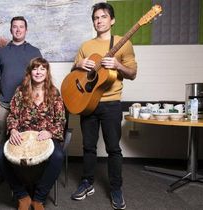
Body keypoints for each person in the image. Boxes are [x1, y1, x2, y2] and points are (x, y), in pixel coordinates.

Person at [69, 2, 137, 210]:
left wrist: (117, 65)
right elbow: (74, 72)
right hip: (88, 103)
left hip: (111, 105)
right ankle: (87, 182)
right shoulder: (86, 46)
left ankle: (116, 187)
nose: (99, 21)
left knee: (113, 148)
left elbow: (133, 73)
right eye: (96, 18)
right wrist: (79, 64)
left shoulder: (123, 43)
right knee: (88, 146)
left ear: (112, 20)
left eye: (103, 17)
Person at [0, 57, 66, 210]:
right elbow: (12, 115)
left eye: (42, 68)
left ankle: (39, 198)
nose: (38, 72)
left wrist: (50, 132)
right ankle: (22, 196)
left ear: (47, 72)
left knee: (58, 156)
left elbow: (60, 120)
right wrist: (13, 129)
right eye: (35, 68)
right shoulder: (20, 92)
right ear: (30, 72)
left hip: (45, 136)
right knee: (0, 155)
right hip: (22, 135)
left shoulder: (54, 93)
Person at [0, 16, 42, 187]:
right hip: (5, 104)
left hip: (28, 107)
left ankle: (24, 176)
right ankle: (1, 174)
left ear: (26, 30)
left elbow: (41, 77)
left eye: (21, 27)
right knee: (3, 141)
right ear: (11, 30)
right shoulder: (2, 52)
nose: (18, 30)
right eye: (15, 27)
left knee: (25, 141)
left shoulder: (34, 51)